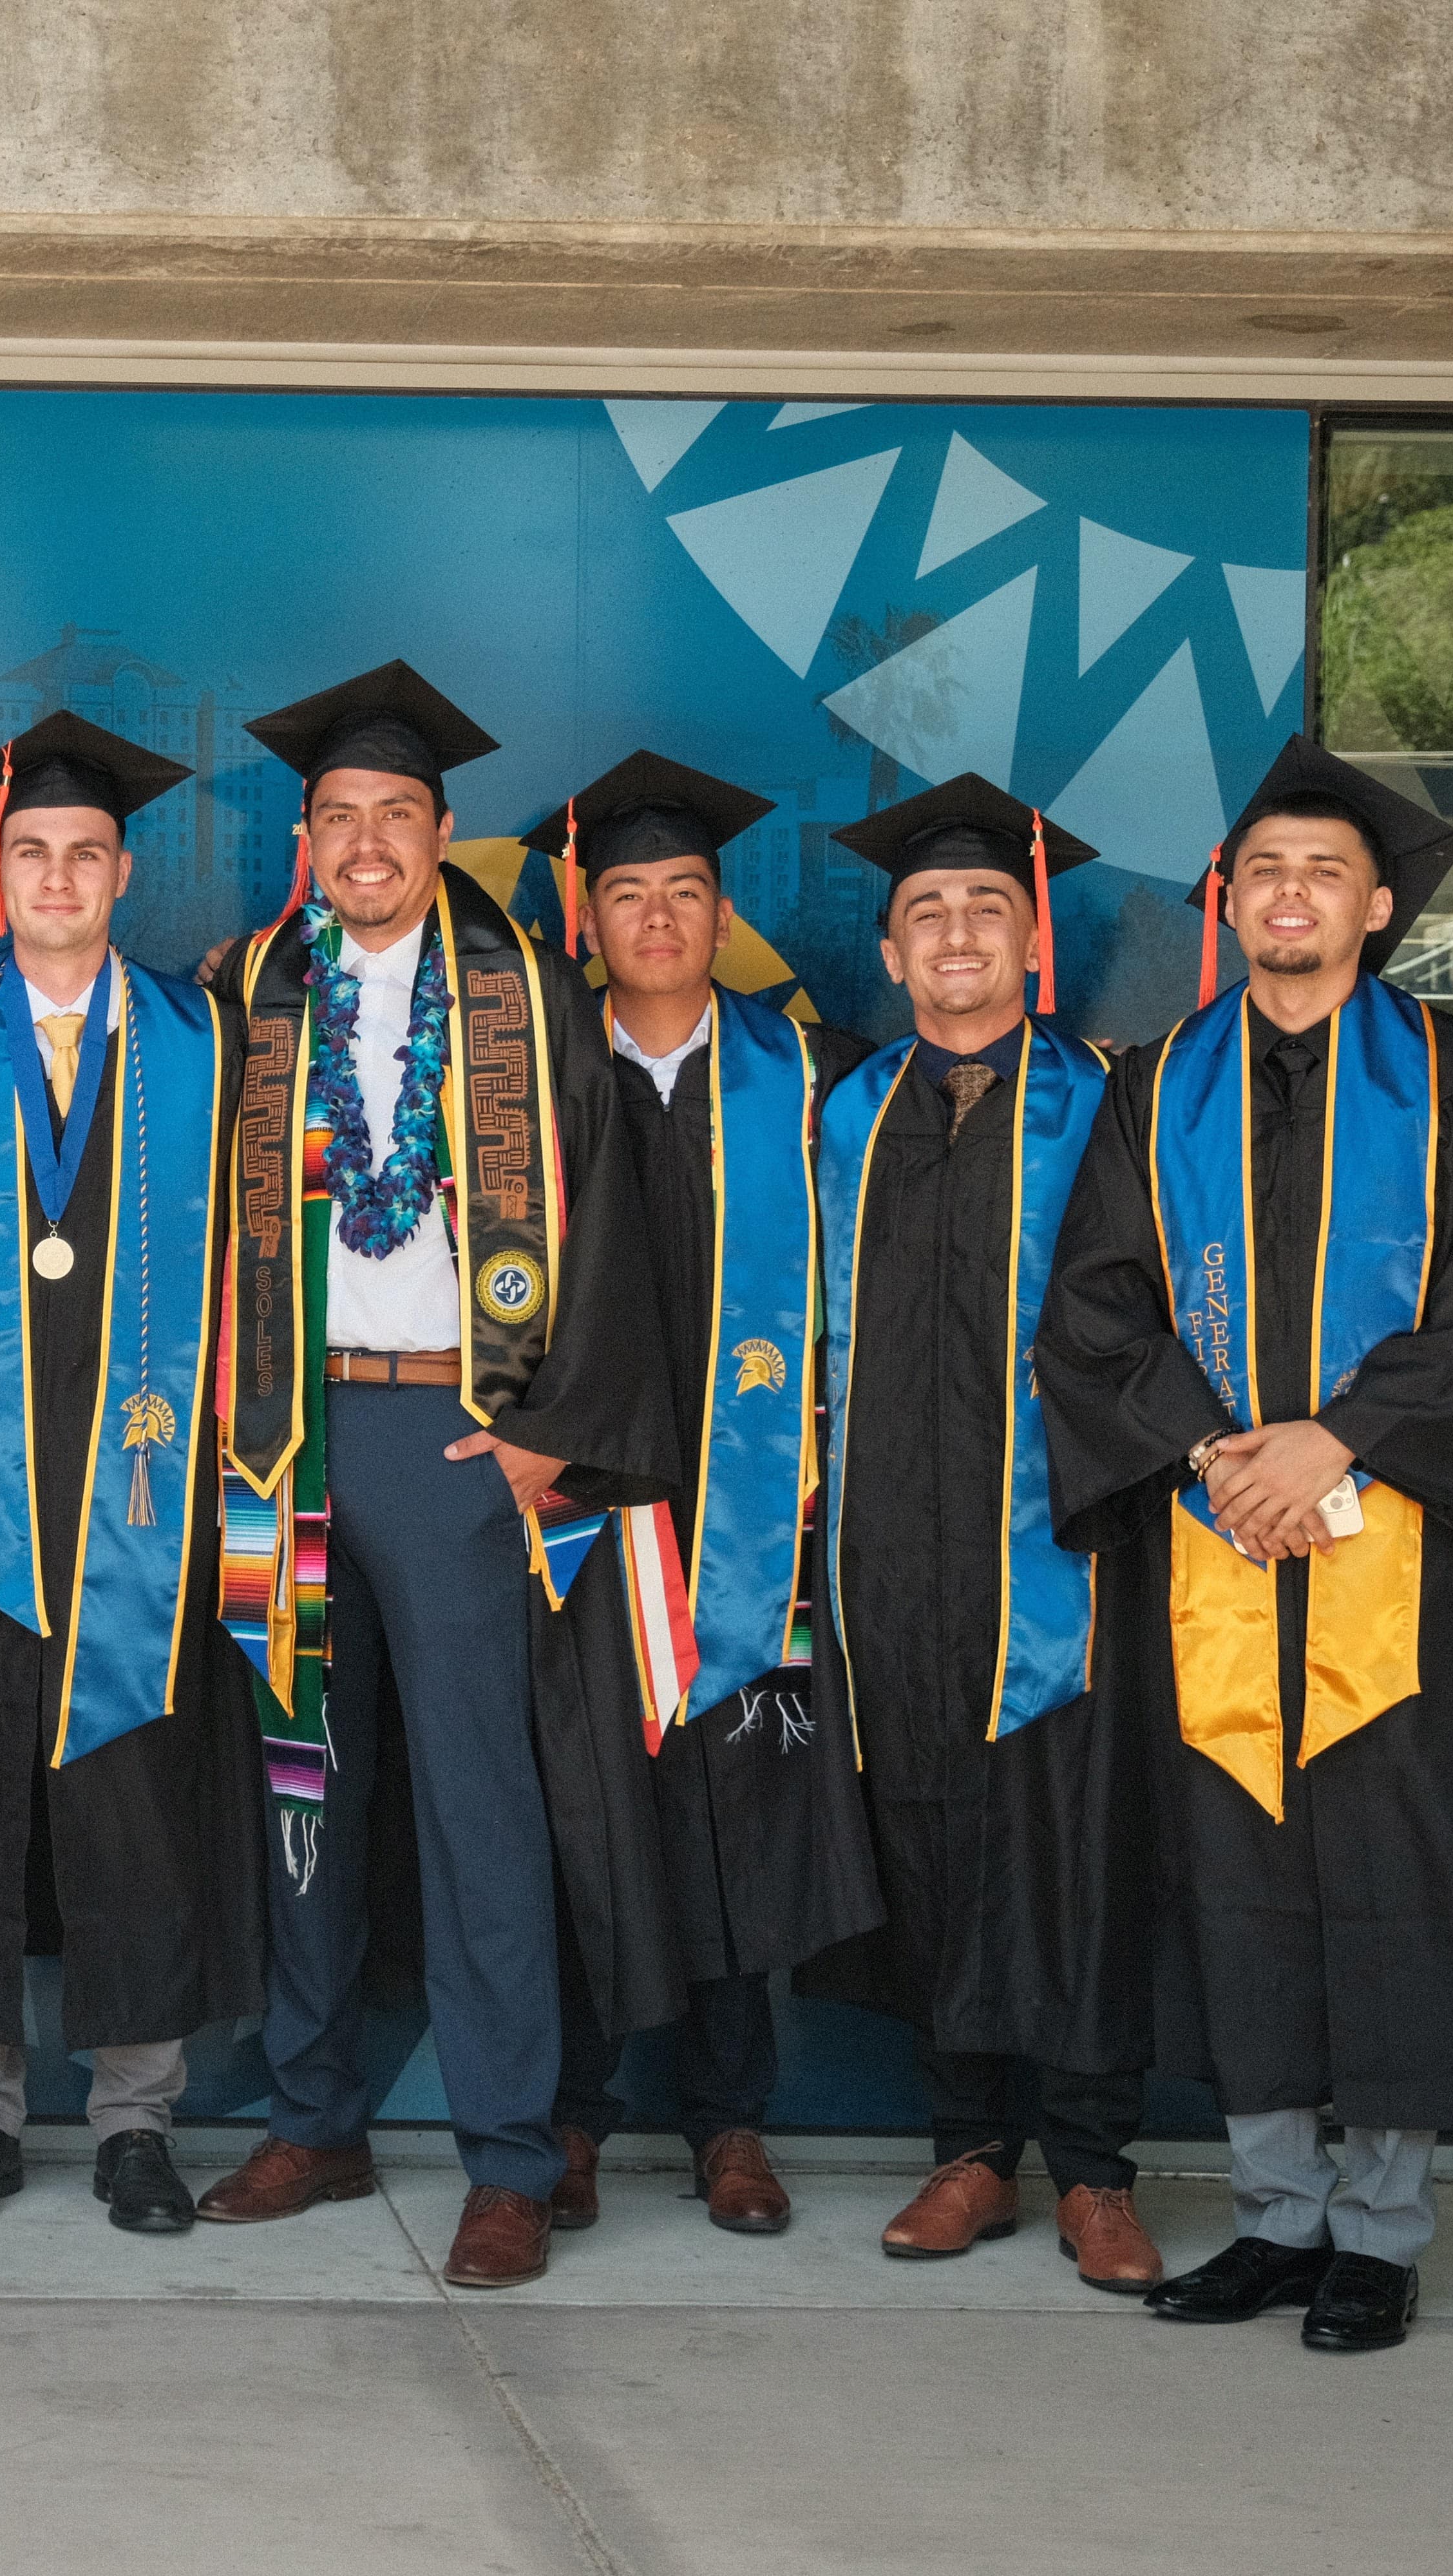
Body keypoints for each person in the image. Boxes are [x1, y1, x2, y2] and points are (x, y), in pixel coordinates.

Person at [1040, 743, 1453, 2354]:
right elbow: (1098, 1303)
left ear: (1379, 903)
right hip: (1218, 1543)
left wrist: (1338, 1439)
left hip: (1404, 1553)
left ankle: (1380, 2232)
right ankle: (1277, 2216)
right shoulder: (1153, 1087)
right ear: (1233, 899)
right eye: (1264, 870)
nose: (1290, 893)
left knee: (1397, 1873)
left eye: (1324, 872)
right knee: (1240, 1874)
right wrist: (1219, 1453)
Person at [191, 664, 672, 2290]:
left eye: (400, 812)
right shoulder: (249, 993)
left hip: (460, 1441)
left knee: (483, 1803)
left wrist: (554, 1430)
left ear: (445, 829)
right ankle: (314, 2112)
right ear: (306, 836)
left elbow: (612, 1232)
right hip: (285, 1438)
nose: (370, 838)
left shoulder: (533, 998)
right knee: (303, 1793)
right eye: (341, 814)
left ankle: (511, 2154)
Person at [791, 774, 1161, 2293]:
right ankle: (969, 2147)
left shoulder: (1111, 1099)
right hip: (887, 1543)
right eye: (927, 910)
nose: (955, 930)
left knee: (1074, 1843)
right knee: (930, 1821)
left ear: (1032, 940)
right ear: (889, 951)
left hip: (1063, 1545)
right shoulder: (847, 1115)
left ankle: (1094, 2165)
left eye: (985, 908)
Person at [0, 712, 263, 2239]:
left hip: (143, 1494)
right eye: (31, 853)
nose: (58, 875)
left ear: (125, 873)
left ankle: (135, 2121)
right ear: (1, 876)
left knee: (136, 1803)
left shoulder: (209, 1039)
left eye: (85, 854)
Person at [519, 753, 880, 2239]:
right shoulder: (531, 1080)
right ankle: (577, 2112)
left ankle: (733, 2119)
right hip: (584, 1516)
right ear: (586, 918)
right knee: (584, 1813)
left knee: (741, 1805)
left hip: (745, 1518)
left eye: (684, 891)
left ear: (724, 912)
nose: (658, 917)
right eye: (628, 893)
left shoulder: (816, 1081)